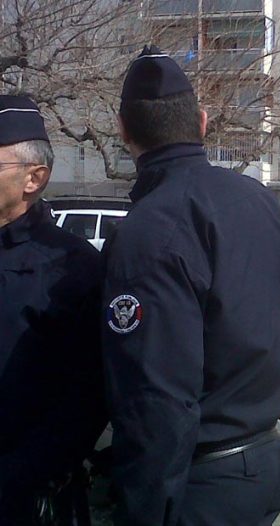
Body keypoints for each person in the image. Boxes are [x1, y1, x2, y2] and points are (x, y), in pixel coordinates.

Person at [102, 46, 280, 526]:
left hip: (199, 481)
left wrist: (144, 509)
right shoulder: (250, 196)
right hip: (262, 462)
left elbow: (156, 395)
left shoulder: (147, 230)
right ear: (202, 123)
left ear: (123, 131)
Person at [0, 95, 107, 524]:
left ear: (34, 178)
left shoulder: (72, 267)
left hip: (25, 497)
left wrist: (20, 474)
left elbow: (88, 396)